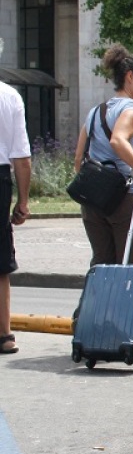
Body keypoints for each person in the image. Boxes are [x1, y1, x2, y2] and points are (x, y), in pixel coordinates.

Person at [73, 44, 133, 266]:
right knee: (131, 264)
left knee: (101, 261)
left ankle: (98, 301)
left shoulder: (95, 111)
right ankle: (127, 302)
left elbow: (78, 159)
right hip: (124, 193)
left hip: (93, 197)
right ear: (130, 76)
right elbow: (118, 140)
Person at [1, 79, 32, 354]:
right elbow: (21, 156)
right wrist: (23, 202)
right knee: (0, 262)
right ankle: (4, 334)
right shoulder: (8, 95)